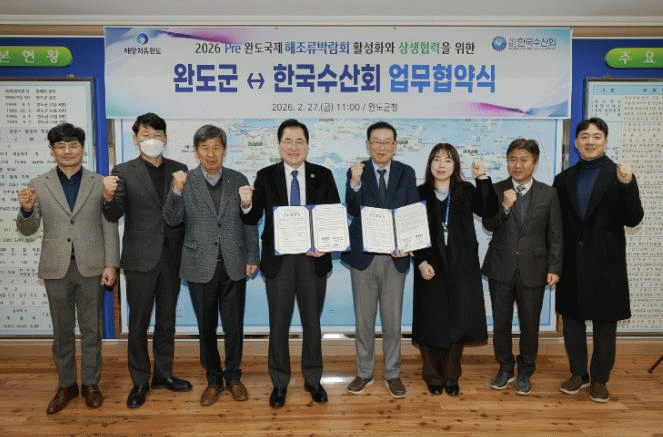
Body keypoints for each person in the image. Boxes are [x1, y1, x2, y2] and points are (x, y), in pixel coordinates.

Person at [16, 123, 120, 414]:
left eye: (73, 145)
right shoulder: (39, 184)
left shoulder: (98, 183)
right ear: (52, 151)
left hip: (92, 267)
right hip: (56, 268)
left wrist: (111, 264)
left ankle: (91, 384)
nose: (67, 151)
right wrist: (26, 210)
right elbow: (28, 229)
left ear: (82, 149)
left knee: (91, 331)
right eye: (60, 146)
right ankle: (66, 385)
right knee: (61, 332)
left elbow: (109, 225)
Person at [239, 119, 340, 409]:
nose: (293, 147)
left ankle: (313, 379)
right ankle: (280, 382)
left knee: (312, 324)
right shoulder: (266, 175)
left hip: (312, 261)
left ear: (307, 145)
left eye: (299, 141)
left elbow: (333, 216)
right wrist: (246, 203)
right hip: (279, 262)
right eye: (288, 141)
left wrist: (326, 244)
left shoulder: (323, 175)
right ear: (279, 144)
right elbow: (252, 217)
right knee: (279, 324)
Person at [163, 125, 259, 406]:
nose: (211, 154)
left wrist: (252, 256)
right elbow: (171, 219)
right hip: (199, 264)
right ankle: (214, 379)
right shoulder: (186, 180)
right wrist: (176, 191)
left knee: (234, 327)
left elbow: (249, 221)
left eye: (216, 147)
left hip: (234, 263)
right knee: (206, 328)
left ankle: (234, 377)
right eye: (205, 148)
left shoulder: (238, 178)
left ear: (224, 150)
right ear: (196, 151)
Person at [102, 113, 192, 408]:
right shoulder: (123, 171)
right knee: (138, 323)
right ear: (136, 139)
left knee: (167, 322)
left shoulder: (180, 170)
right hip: (140, 258)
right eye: (145, 135)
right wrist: (107, 197)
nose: (151, 140)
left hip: (172, 258)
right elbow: (114, 214)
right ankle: (140, 380)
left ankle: (163, 374)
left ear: (165, 138)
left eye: (157, 135)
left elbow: (183, 214)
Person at [553, 117, 643, 403]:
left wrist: (627, 184)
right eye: (584, 136)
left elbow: (634, 218)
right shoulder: (563, 179)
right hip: (572, 263)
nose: (590, 141)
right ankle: (578, 374)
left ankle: (600, 379)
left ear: (605, 141)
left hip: (606, 264)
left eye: (596, 136)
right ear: (576, 142)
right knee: (573, 322)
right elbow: (557, 225)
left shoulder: (619, 175)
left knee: (605, 325)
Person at [412, 143, 498, 396]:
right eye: (436, 159)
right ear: (430, 164)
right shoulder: (418, 193)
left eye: (447, 160)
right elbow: (411, 232)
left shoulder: (466, 190)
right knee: (431, 320)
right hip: (430, 265)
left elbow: (488, 209)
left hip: (462, 266)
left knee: (457, 321)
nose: (441, 165)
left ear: (455, 166)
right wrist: (421, 262)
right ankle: (432, 374)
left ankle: (451, 376)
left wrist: (482, 177)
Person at [341, 121, 419, 398]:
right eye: (376, 141)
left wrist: (407, 243)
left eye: (387, 142)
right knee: (364, 321)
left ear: (395, 146)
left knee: (392, 320)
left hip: (395, 256)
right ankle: (364, 373)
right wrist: (355, 182)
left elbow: (411, 210)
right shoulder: (357, 170)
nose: (381, 147)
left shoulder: (406, 173)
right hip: (364, 257)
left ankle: (393, 374)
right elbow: (352, 209)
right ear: (367, 145)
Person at [482, 138, 563, 395]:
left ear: (534, 163)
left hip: (534, 269)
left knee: (530, 325)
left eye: (524, 160)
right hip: (501, 268)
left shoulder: (548, 193)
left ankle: (526, 371)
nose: (517, 165)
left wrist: (554, 267)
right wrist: (505, 206)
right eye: (513, 159)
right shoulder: (495, 190)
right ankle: (505, 367)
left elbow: (555, 234)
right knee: (501, 324)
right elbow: (488, 224)